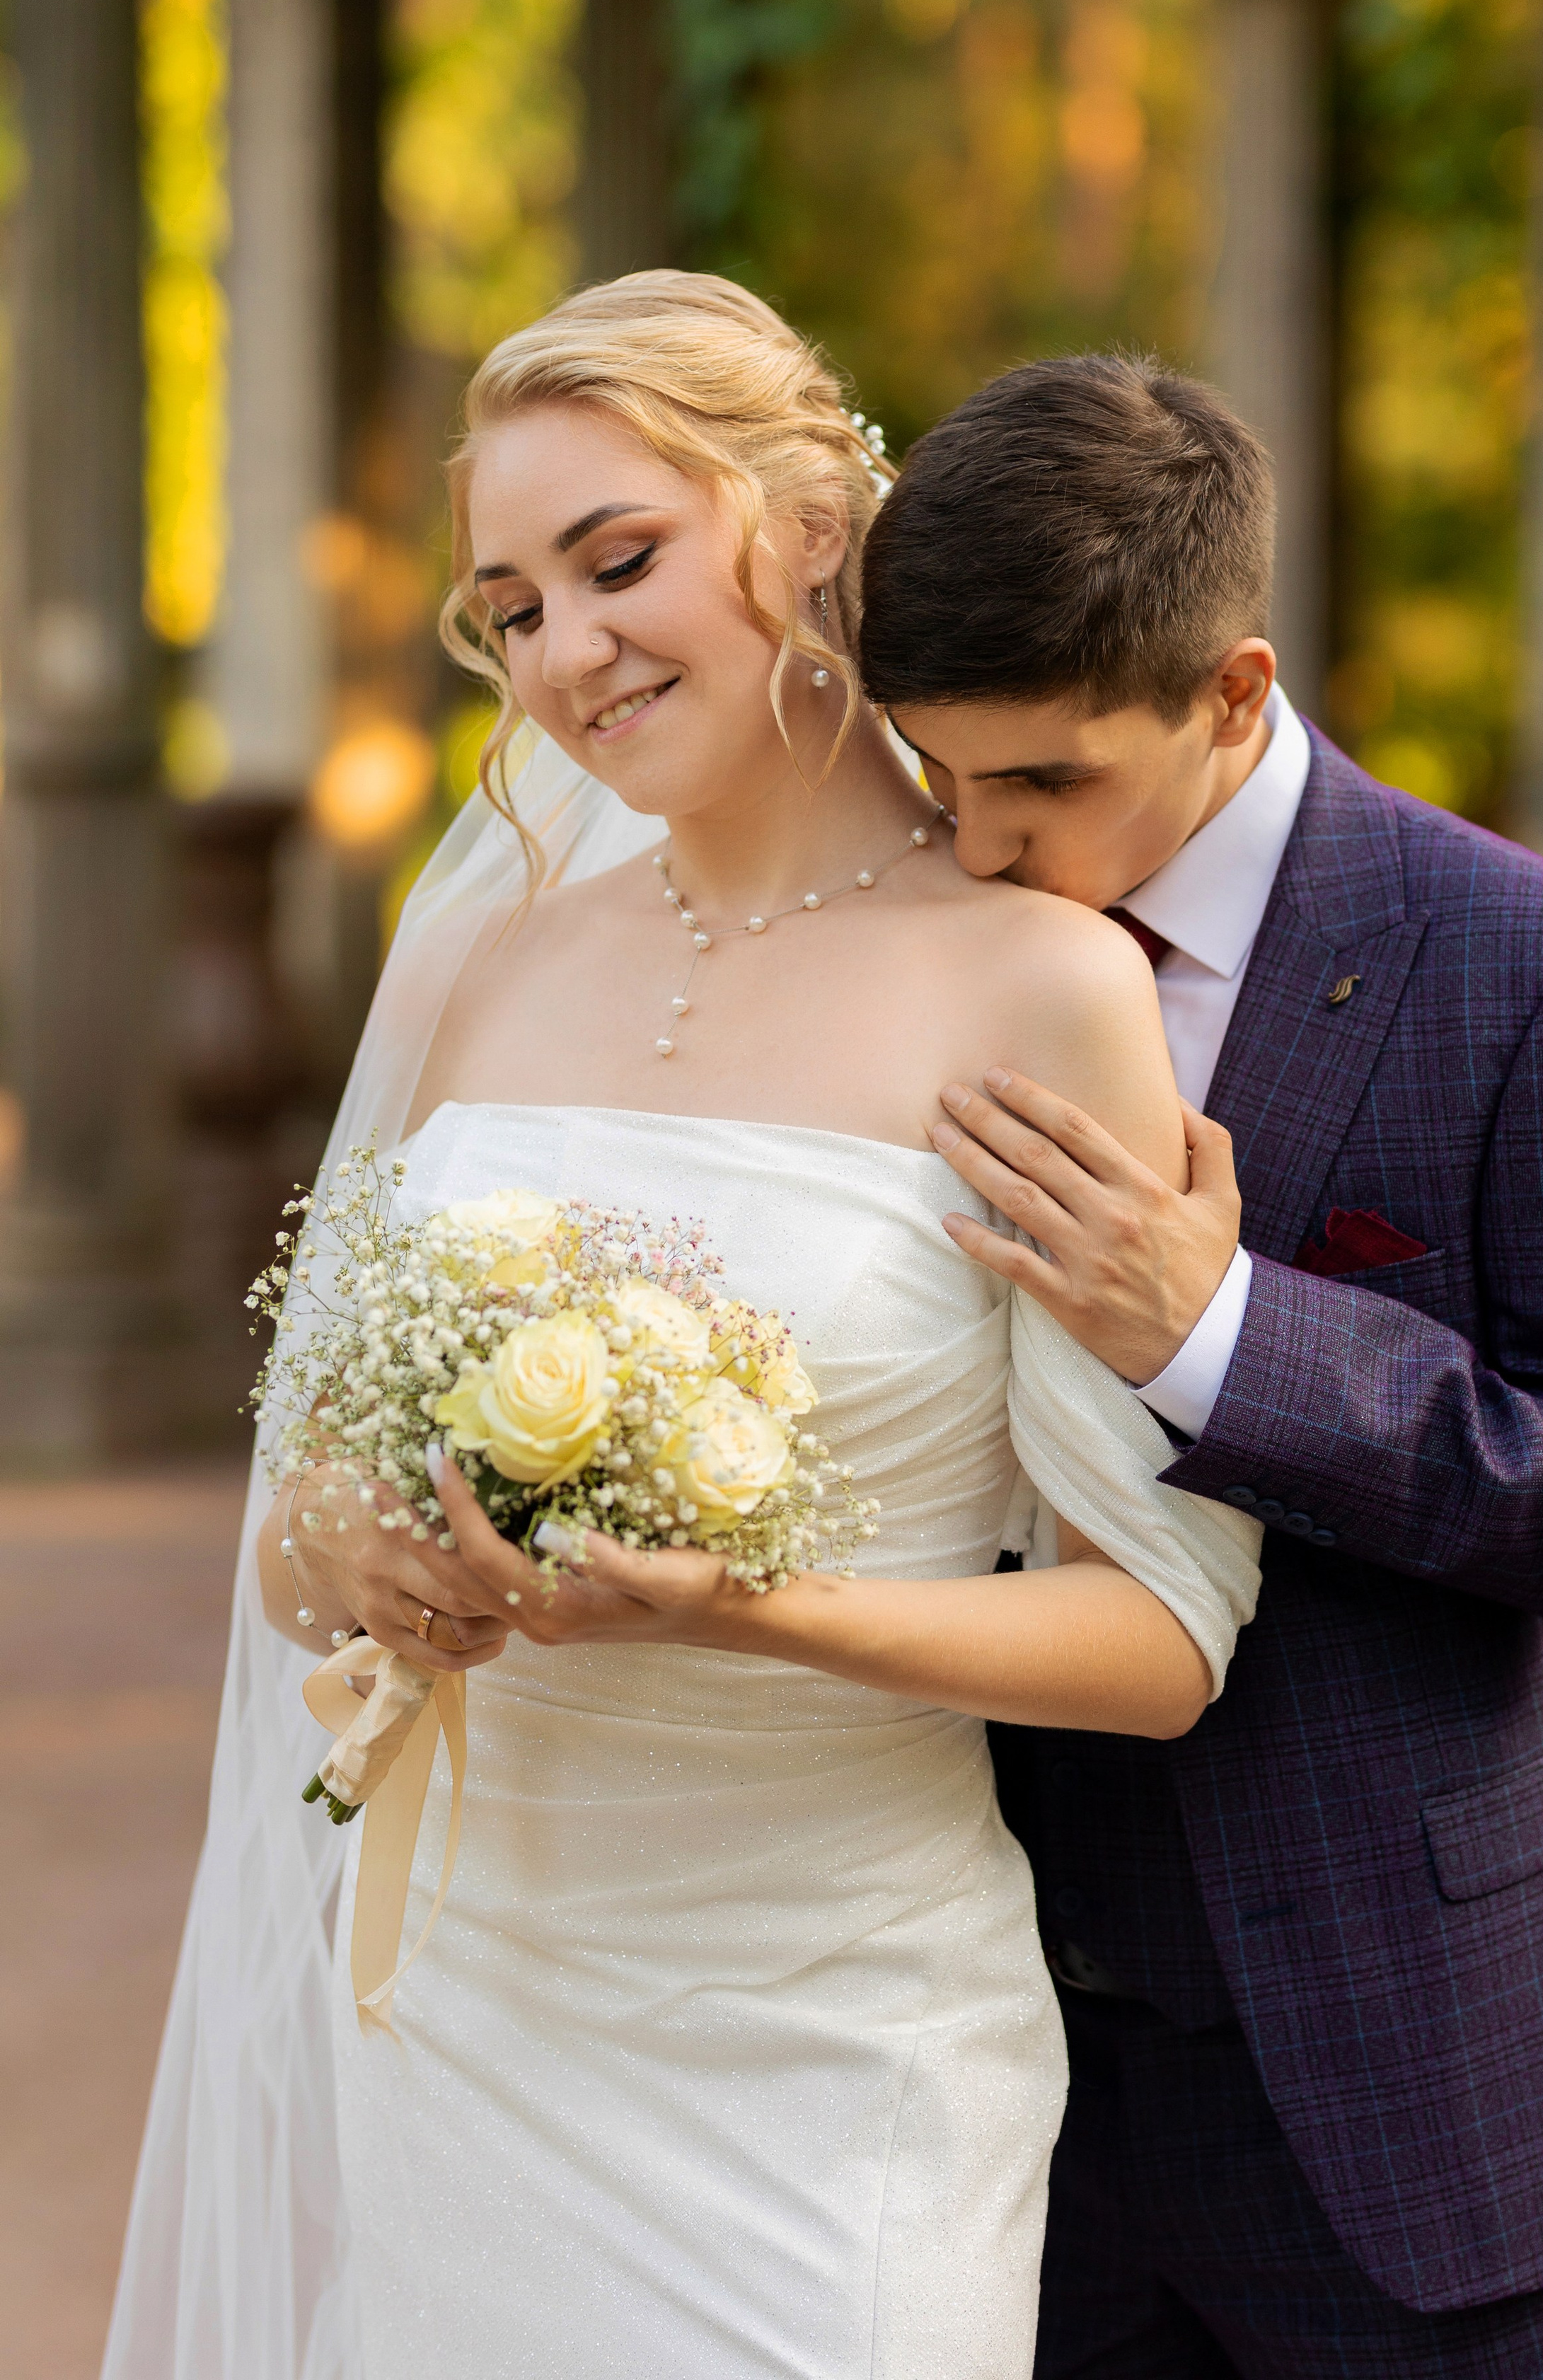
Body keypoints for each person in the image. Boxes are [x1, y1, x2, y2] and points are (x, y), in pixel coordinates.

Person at [100, 277, 1262, 2380]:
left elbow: (1162, 1640)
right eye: (511, 609)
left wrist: (755, 1608)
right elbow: (293, 1543)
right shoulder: (482, 968)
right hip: (466, 2007)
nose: (569, 652)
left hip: (826, 2044)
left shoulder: (1044, 984)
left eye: (618, 561)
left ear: (808, 521)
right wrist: (358, 1552)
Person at [856, 352, 1543, 2380]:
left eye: (1047, 781)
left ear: (1236, 690)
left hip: (1416, 2077)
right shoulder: (900, 945)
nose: (978, 848)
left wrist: (1228, 1337)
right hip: (1003, 2072)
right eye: (940, 778)